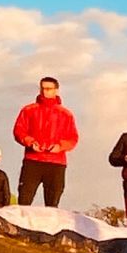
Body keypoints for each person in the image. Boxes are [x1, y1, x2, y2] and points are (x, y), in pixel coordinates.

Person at [12, 76, 79, 207]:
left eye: (48, 89)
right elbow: (19, 131)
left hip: (56, 163)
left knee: (52, 205)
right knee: (24, 200)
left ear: (56, 90)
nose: (44, 91)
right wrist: (30, 142)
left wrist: (60, 146)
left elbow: (73, 138)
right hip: (33, 160)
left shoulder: (66, 114)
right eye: (42, 88)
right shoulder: (28, 110)